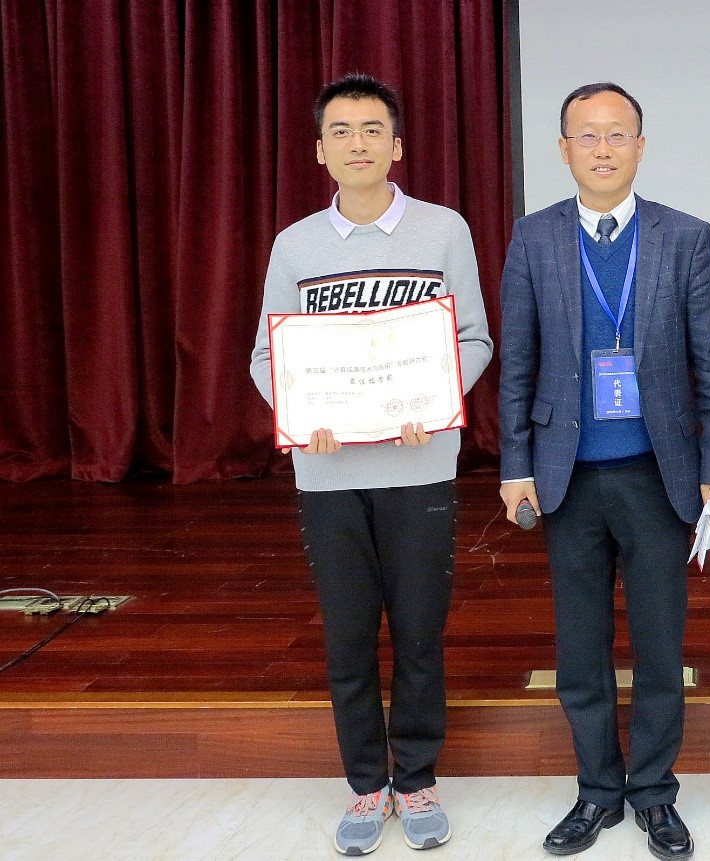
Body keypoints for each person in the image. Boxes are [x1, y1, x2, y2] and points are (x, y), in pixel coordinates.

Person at [249, 73, 492, 856]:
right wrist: (302, 413)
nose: (358, 143)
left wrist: (436, 396)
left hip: (419, 464)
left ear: (398, 145)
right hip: (329, 473)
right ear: (320, 151)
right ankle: (364, 783)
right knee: (348, 637)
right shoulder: (295, 245)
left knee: (419, 633)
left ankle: (415, 776)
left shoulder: (443, 230)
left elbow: (474, 338)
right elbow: (266, 355)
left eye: (371, 129)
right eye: (341, 131)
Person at [498, 82, 710, 860]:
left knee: (661, 645)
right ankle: (597, 789)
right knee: (580, 648)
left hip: (658, 472)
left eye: (616, 134)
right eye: (587, 135)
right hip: (565, 473)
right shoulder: (533, 236)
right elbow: (518, 360)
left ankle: (655, 792)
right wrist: (514, 464)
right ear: (563, 148)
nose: (602, 149)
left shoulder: (686, 237)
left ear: (640, 144)